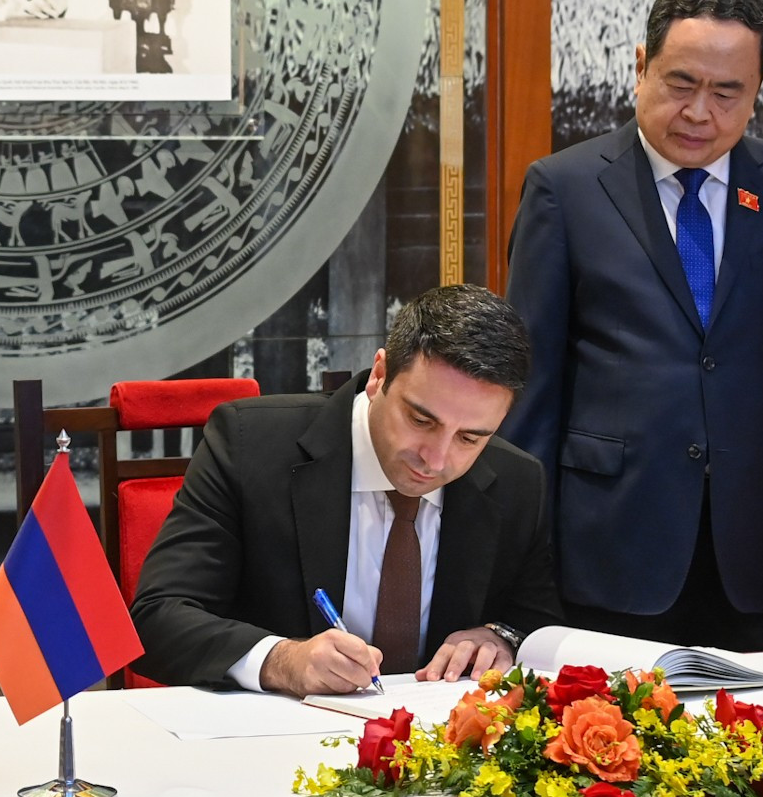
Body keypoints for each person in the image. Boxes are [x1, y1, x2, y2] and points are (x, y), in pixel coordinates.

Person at [501, 0, 763, 652]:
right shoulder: (566, 189)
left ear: (757, 91)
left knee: (762, 749)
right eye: (681, 83)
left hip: (754, 550)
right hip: (609, 543)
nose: (700, 112)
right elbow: (531, 392)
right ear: (640, 66)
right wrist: (522, 562)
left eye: (727, 94)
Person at [130, 284, 563, 695]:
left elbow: (538, 627)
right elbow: (158, 618)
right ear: (379, 376)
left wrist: (499, 639)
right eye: (420, 420)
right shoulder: (250, 445)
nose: (435, 459)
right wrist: (283, 660)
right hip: (272, 740)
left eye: (469, 438)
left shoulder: (516, 482)